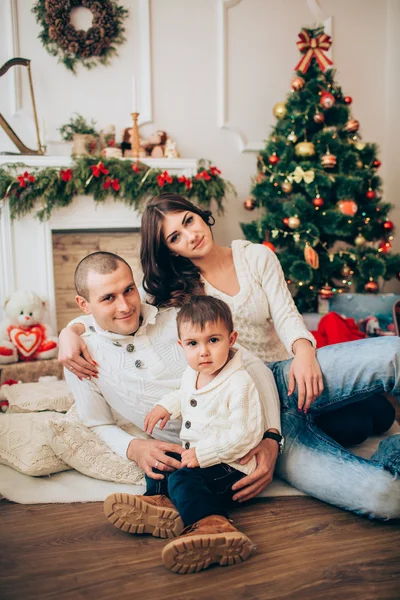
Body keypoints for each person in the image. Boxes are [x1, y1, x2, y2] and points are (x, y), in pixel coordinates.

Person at [60, 197, 400, 519]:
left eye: (189, 221)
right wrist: (70, 332)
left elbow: (275, 329)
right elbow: (113, 328)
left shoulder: (228, 275)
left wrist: (303, 353)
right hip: (247, 423)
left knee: (389, 362)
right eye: (175, 236)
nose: (124, 305)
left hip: (284, 376)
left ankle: (363, 412)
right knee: (384, 494)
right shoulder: (174, 299)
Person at [62, 251, 281, 509]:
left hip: (271, 401)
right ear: (84, 305)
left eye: (129, 290)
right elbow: (97, 422)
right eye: (108, 298)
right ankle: (162, 511)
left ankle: (209, 525)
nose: (125, 306)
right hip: (208, 447)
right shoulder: (79, 356)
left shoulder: (175, 318)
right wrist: (134, 447)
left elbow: (253, 366)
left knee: (337, 369)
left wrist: (272, 437)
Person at [105, 295, 269, 573]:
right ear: (182, 346)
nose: (203, 351)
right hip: (201, 455)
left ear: (232, 339)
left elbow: (246, 434)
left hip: (233, 465)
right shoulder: (191, 373)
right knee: (164, 455)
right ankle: (162, 504)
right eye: (193, 343)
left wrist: (203, 455)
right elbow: (183, 394)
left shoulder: (239, 382)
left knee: (183, 477)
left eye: (213, 340)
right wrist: (165, 406)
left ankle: (213, 525)